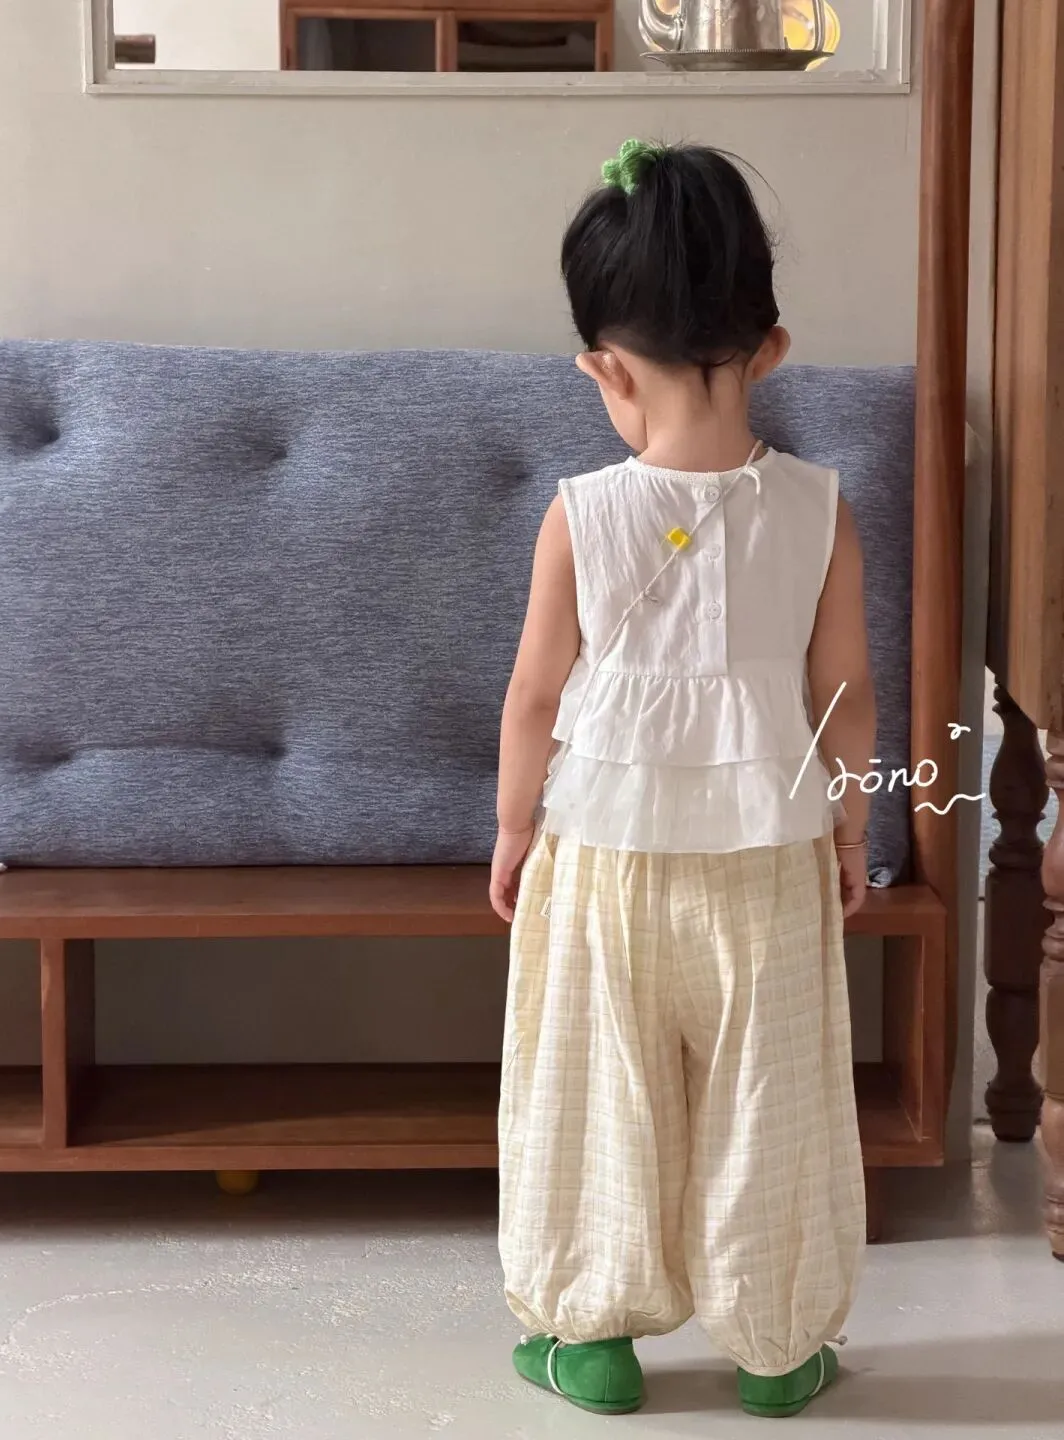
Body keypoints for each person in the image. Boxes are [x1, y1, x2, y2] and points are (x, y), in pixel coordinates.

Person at [489, 139, 874, 1420]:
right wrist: (852, 834)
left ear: (603, 368)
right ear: (772, 347)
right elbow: (847, 695)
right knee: (773, 1099)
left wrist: (513, 829)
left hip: (602, 857)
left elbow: (534, 698)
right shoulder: (821, 509)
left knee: (599, 1093)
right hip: (769, 856)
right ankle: (776, 1347)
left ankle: (591, 1337)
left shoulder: (581, 513)